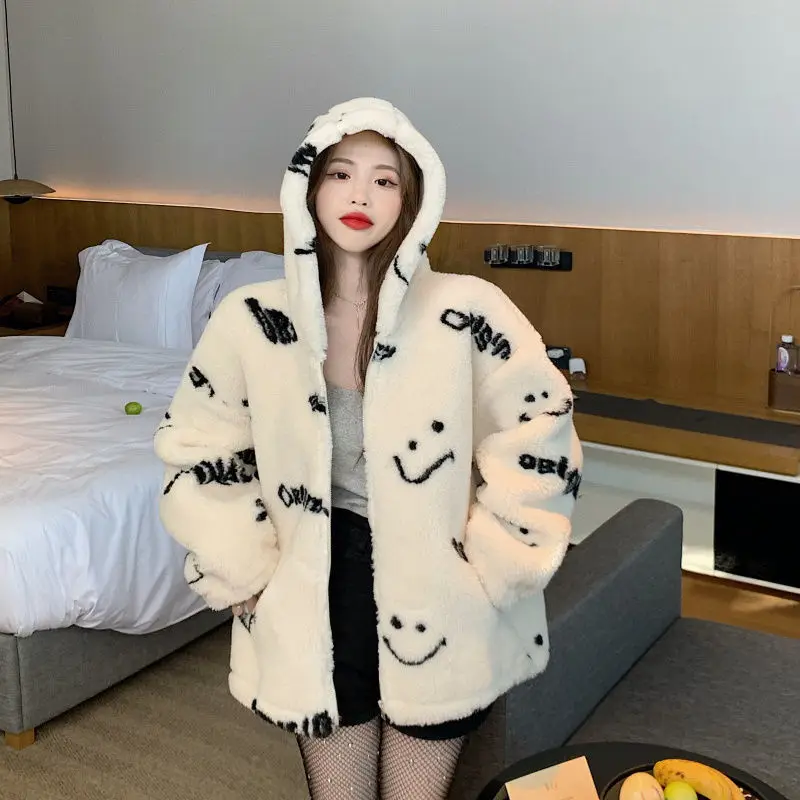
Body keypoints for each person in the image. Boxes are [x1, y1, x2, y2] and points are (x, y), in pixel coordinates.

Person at [154, 97, 582, 800]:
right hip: (315, 585)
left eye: (385, 180)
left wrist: (496, 562)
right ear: (308, 185)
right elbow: (200, 447)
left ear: (413, 200)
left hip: (442, 588)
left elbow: (541, 426)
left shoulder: (468, 310)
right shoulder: (251, 320)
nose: (360, 196)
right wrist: (245, 570)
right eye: (341, 173)